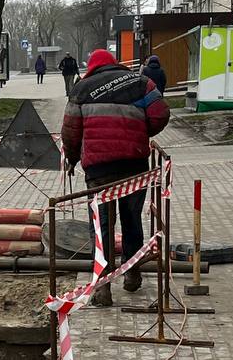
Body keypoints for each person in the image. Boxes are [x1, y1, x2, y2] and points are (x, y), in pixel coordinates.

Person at [60, 48, 170, 307]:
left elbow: (71, 131)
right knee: (132, 221)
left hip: (99, 172)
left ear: (93, 67)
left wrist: (72, 159)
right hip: (134, 166)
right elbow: (161, 114)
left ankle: (103, 289)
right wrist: (141, 132)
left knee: (101, 228)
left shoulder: (81, 88)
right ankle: (132, 274)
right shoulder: (141, 82)